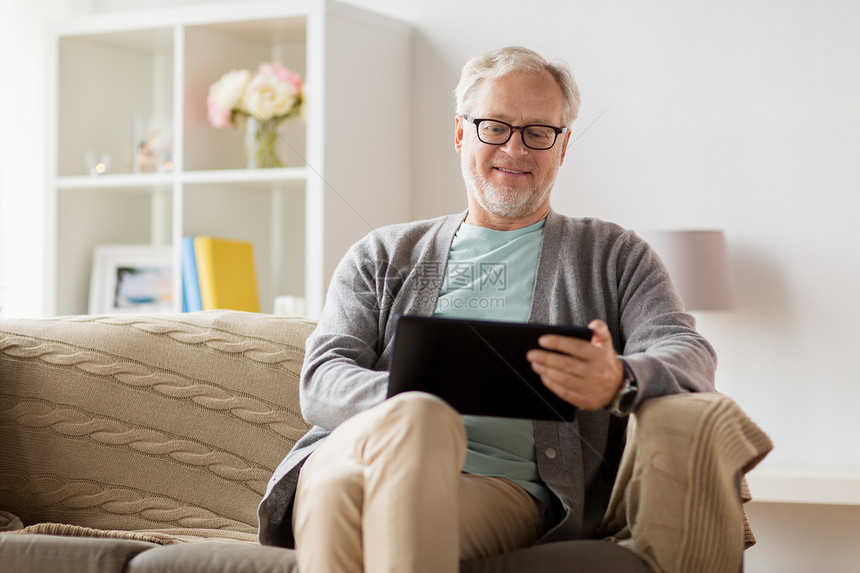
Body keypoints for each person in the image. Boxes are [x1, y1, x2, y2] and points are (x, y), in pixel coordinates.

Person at [258, 46, 718, 572]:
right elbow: (320, 380)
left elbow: (690, 353)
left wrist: (618, 378)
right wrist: (418, 402)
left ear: (562, 147)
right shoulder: (383, 254)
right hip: (351, 456)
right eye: (495, 127)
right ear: (460, 135)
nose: (515, 149)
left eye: (538, 132)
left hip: (499, 490)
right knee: (404, 427)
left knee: (347, 499)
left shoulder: (612, 255)